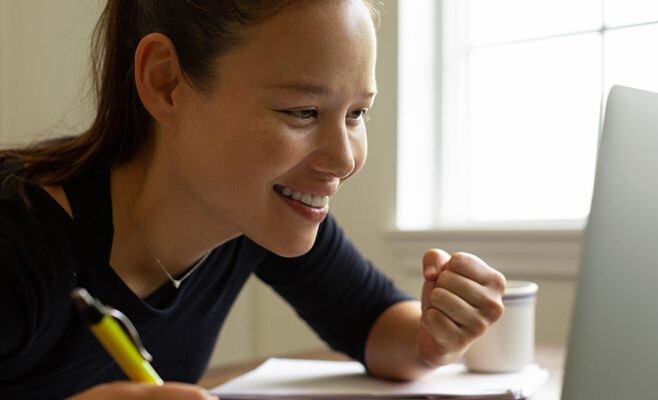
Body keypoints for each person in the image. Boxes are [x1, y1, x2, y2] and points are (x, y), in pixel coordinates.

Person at [0, 0, 507, 398]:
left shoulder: (251, 217)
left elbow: (375, 324)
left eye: (356, 114)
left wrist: (435, 337)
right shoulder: (16, 241)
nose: (345, 159)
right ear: (166, 82)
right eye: (302, 111)